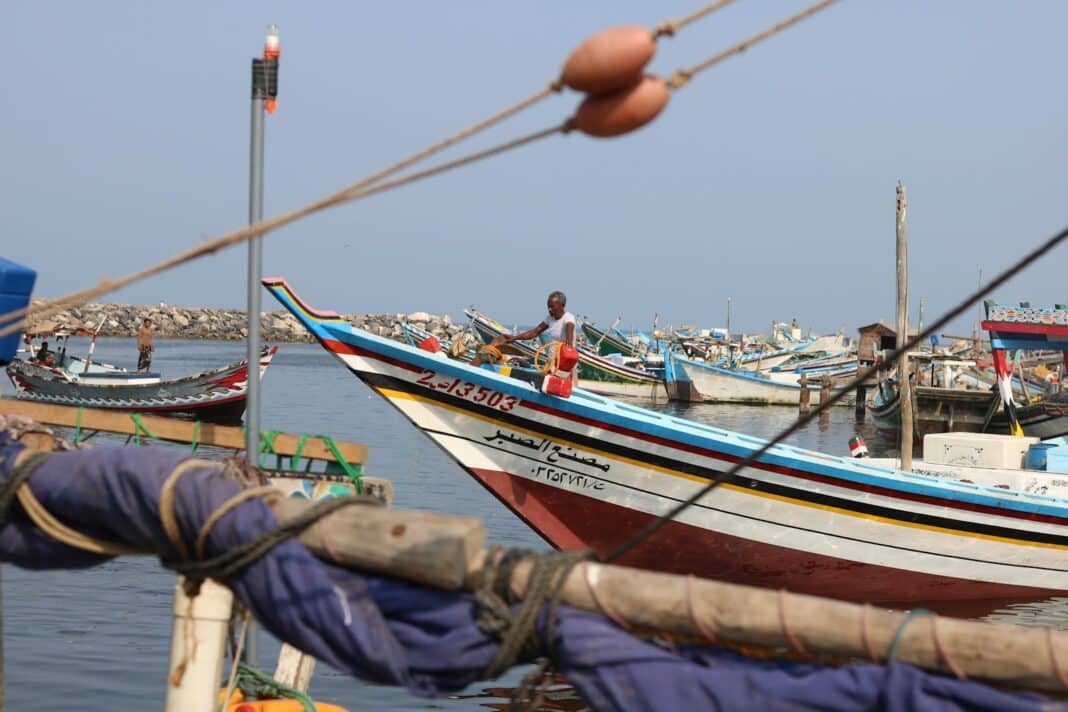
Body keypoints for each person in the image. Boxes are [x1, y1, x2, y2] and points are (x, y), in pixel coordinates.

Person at [472, 291, 576, 369]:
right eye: (548, 307)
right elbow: (534, 332)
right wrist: (514, 338)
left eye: (552, 307)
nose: (549, 309)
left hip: (564, 360)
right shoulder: (549, 319)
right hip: (552, 360)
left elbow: (569, 331)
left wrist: (569, 349)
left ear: (562, 305)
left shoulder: (568, 318)